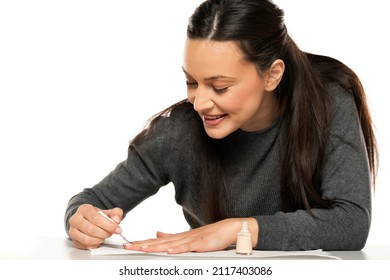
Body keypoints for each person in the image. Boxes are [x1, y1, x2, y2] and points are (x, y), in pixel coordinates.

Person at [65, 0, 378, 253]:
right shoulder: (178, 133)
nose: (199, 103)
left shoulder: (327, 101)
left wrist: (238, 229)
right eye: (191, 81)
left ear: (272, 74)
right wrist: (81, 221)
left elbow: (352, 223)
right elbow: (90, 202)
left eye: (219, 86)